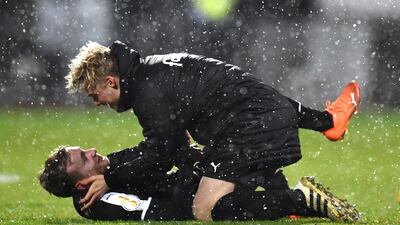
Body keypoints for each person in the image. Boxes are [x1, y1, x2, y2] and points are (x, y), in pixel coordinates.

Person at [65, 40, 361, 220]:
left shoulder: (147, 92)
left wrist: (111, 177)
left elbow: (162, 153)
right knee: (212, 168)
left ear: (111, 82)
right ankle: (287, 195)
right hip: (257, 120)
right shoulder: (150, 72)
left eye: (95, 95)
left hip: (251, 126)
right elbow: (238, 89)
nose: (96, 103)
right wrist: (318, 121)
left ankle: (300, 200)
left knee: (204, 209)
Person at [38, 146, 361, 221]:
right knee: (219, 207)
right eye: (84, 157)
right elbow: (161, 212)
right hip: (182, 195)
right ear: (81, 185)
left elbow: (149, 153)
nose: (93, 152)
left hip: (182, 185)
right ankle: (298, 199)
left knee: (219, 199)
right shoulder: (98, 203)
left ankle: (291, 196)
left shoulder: (104, 173)